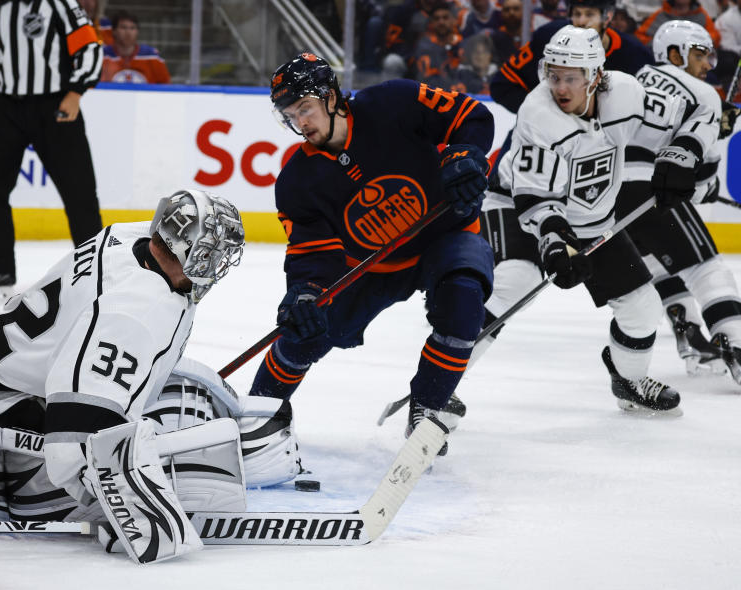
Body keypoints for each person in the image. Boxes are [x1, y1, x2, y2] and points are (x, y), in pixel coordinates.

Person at [0, 190, 250, 563]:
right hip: (19, 399)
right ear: (186, 250)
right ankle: (9, 485)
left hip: (16, 363)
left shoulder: (133, 236)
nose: (217, 265)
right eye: (211, 254)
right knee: (170, 460)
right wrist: (124, 510)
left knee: (189, 392)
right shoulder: (135, 311)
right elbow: (71, 443)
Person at [252, 52, 494, 446]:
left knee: (463, 301)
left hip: (443, 232)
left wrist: (465, 154)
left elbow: (470, 115)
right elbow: (313, 251)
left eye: (305, 108)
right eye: (291, 115)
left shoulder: (394, 102)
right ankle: (256, 415)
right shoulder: (297, 181)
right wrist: (305, 292)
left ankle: (428, 410)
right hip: (369, 267)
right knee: (305, 330)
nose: (301, 122)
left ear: (331, 97)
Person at [478, 25, 718, 413]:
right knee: (514, 284)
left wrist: (686, 152)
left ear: (596, 77)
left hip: (592, 220)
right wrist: (556, 241)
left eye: (571, 78)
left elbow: (699, 111)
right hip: (515, 206)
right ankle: (436, 391)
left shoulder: (625, 94)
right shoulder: (538, 115)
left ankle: (628, 379)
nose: (560, 87)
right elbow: (536, 198)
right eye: (553, 76)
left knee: (643, 310)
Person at [622, 20, 741, 383]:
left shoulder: (629, 79)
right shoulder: (702, 95)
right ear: (675, 53)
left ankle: (687, 330)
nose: (708, 65)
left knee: (658, 261)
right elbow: (698, 178)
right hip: (650, 188)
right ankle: (736, 344)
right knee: (704, 266)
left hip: (603, 199)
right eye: (700, 54)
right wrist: (719, 134)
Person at [0, 0, 104, 299]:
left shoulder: (57, 3)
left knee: (79, 191)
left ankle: (94, 270)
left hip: (54, 105)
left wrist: (75, 92)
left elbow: (90, 47)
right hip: (5, 106)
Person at [491, 0, 652, 116]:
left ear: (607, 18)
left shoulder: (636, 55)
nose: (581, 22)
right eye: (577, 14)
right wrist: (543, 114)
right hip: (544, 134)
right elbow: (502, 86)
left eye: (589, 14)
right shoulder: (549, 38)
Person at [99, 10, 170, 84]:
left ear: (137, 31)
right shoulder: (102, 56)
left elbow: (166, 88)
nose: (128, 32)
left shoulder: (152, 57)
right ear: (114, 31)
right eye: (123, 27)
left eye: (132, 28)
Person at [636, 0, 721, 48]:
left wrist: (697, 42)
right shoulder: (660, 14)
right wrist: (661, 44)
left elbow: (714, 37)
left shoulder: (701, 15)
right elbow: (640, 37)